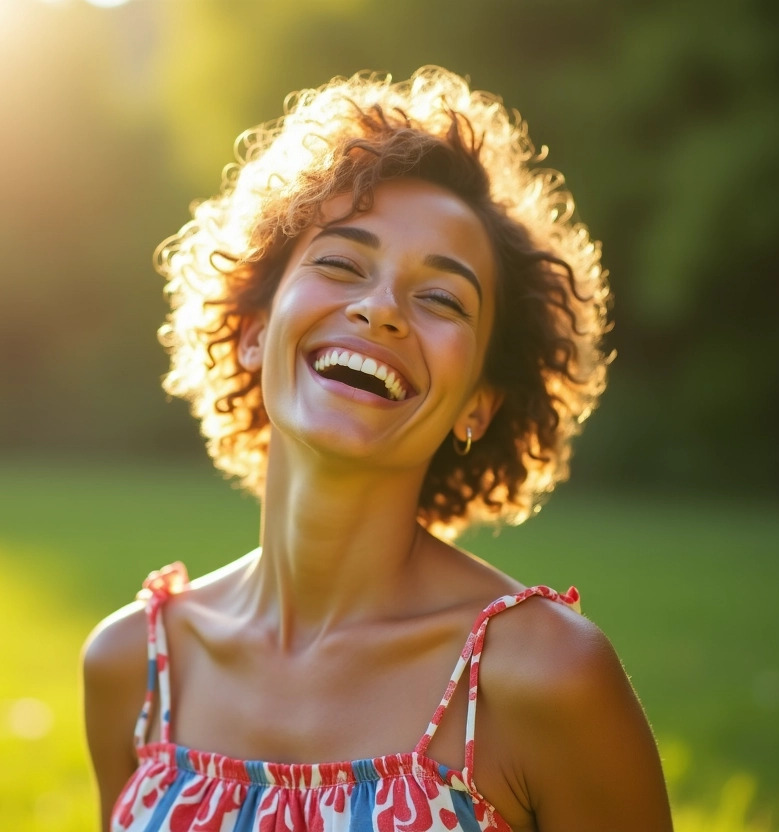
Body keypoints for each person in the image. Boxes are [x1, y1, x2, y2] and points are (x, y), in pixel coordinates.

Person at [83, 66, 672, 832]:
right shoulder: (133, 666)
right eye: (340, 264)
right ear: (255, 331)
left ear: (479, 403)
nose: (379, 310)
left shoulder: (544, 677)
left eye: (441, 299)